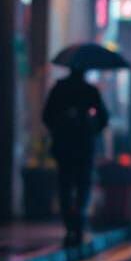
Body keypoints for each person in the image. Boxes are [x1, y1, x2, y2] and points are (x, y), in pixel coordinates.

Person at [42, 66, 109, 247]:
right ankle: (78, 218)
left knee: (65, 185)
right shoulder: (90, 91)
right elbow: (104, 118)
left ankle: (70, 224)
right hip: (84, 145)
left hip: (63, 146)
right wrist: (90, 126)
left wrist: (60, 127)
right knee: (82, 184)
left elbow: (46, 116)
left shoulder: (59, 89)